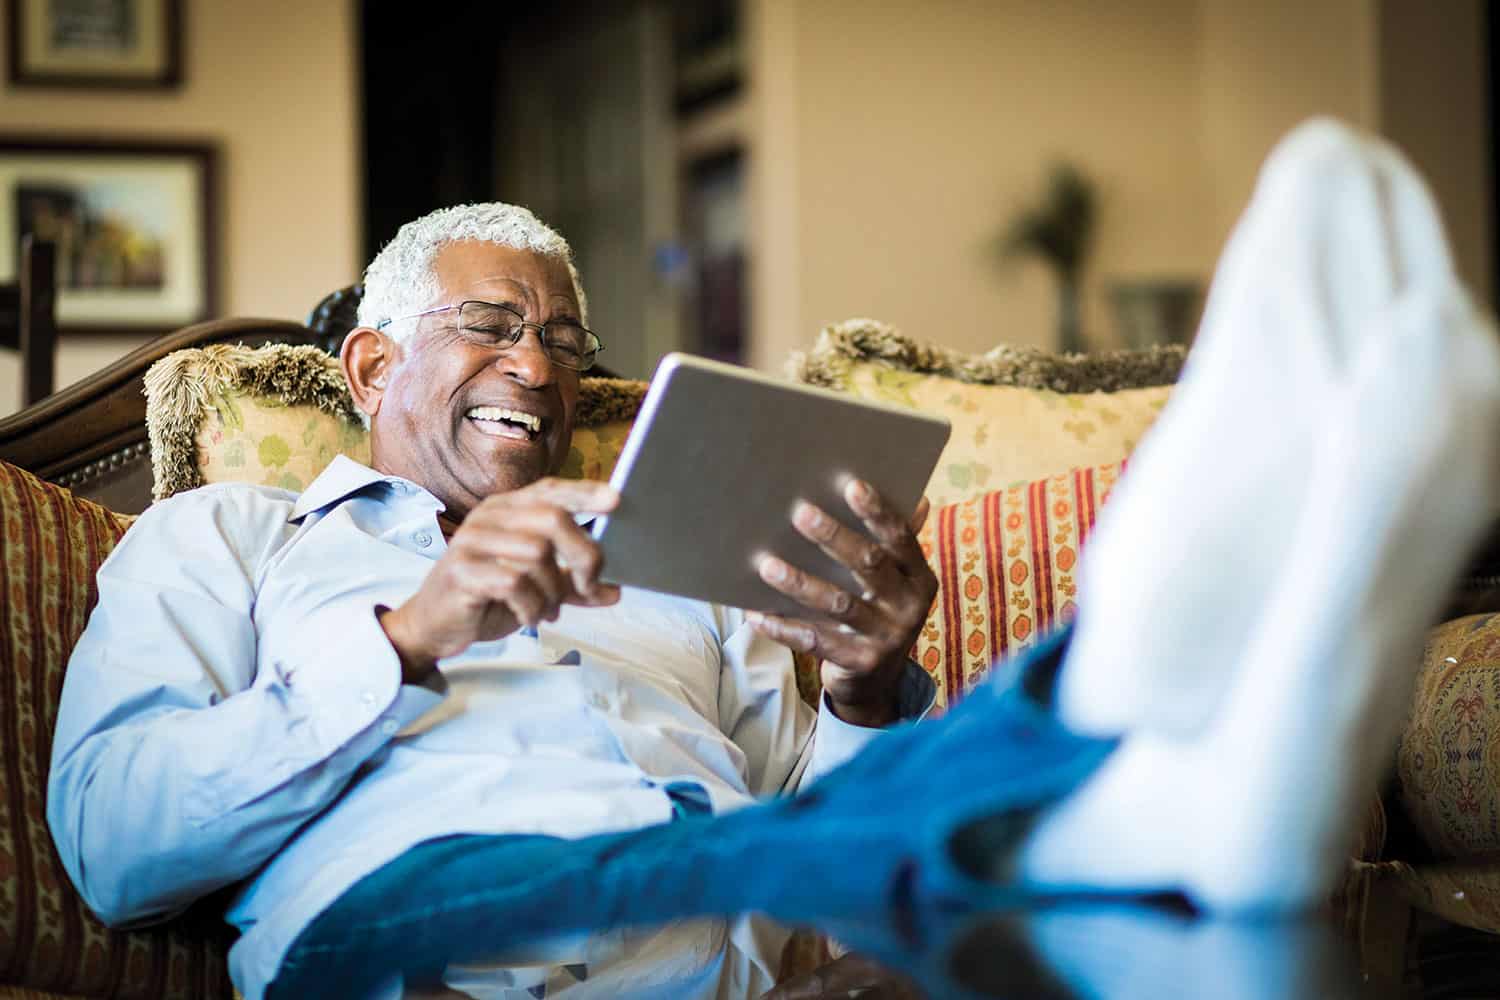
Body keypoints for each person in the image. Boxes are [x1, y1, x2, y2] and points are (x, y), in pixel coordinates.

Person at [47, 118, 1500, 1000]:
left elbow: (829, 819)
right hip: (424, 940)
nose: (540, 368)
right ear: (370, 362)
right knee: (937, 830)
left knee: (889, 805)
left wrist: (870, 681)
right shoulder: (227, 540)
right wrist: (411, 631)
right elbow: (119, 844)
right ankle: (1150, 723)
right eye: (492, 326)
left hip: (740, 929)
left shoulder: (673, 556)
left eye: (564, 341)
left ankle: (1166, 740)